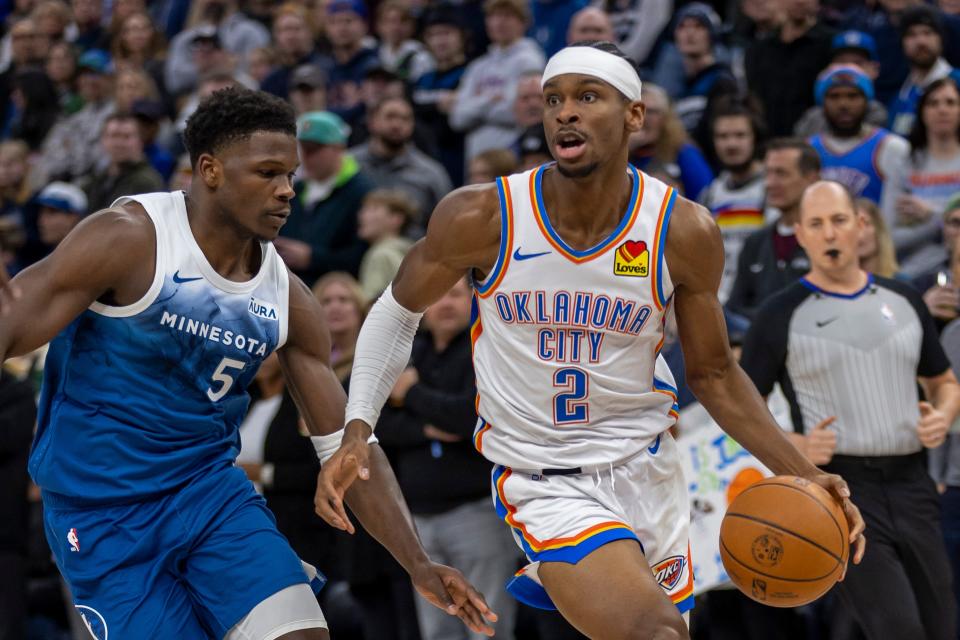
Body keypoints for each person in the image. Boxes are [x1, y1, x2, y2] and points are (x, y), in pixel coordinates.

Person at [316, 41, 865, 639]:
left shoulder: (681, 229)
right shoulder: (485, 216)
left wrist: (801, 470)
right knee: (654, 634)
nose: (564, 113)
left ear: (634, 116)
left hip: (647, 468)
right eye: (553, 100)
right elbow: (396, 312)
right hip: (545, 479)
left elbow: (713, 376)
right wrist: (358, 425)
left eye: (586, 97)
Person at [0, 86, 495, 640]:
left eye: (291, 175)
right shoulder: (130, 239)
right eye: (268, 173)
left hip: (210, 497)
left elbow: (350, 446)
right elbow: (12, 329)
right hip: (104, 510)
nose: (287, 190)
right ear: (209, 169)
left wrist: (417, 562)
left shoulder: (288, 298)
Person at [740, 180, 959, 640]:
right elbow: (744, 410)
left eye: (839, 220)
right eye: (816, 224)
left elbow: (945, 383)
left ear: (861, 226)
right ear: (799, 233)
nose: (829, 233)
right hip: (839, 492)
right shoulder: (779, 314)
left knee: (942, 625)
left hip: (913, 483)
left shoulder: (904, 299)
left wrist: (943, 414)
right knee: (897, 629)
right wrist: (794, 445)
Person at [376, 277, 521, 640]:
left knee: (488, 627)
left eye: (455, 294)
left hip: (477, 511)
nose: (445, 303)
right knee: (437, 631)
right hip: (417, 519)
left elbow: (470, 417)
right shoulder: (408, 352)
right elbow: (376, 422)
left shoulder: (489, 349)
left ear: (473, 298)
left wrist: (410, 393)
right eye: (437, 294)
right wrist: (425, 429)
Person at [276, 110, 374, 284]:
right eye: (302, 148)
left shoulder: (362, 192)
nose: (306, 156)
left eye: (314, 149)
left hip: (335, 292)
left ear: (339, 149)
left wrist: (313, 258)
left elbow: (364, 255)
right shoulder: (295, 190)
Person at [726, 138, 818, 320]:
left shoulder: (825, 241)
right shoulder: (755, 243)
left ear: (811, 179)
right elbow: (734, 309)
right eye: (767, 174)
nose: (769, 183)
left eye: (781, 174)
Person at [809, 64, 909, 224]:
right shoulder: (808, 150)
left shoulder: (890, 147)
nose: (843, 104)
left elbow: (893, 219)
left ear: (867, 101)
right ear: (822, 102)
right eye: (834, 96)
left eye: (853, 96)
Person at [449, 0, 545, 162]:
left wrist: (477, 102)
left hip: (511, 155)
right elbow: (458, 117)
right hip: (475, 158)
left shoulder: (530, 60)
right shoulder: (478, 66)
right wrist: (491, 100)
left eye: (507, 16)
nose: (498, 22)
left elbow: (516, 111)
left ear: (523, 22)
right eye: (493, 16)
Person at [699, 99, 770, 304]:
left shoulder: (771, 189)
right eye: (723, 136)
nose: (731, 144)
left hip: (756, 301)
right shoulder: (710, 194)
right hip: (718, 302)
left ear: (755, 138)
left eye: (740, 135)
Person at [350, 95, 453, 227]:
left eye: (405, 119)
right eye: (390, 117)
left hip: (411, 245)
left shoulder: (431, 173)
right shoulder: (349, 164)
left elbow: (447, 224)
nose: (397, 124)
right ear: (372, 122)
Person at [897, 77, 960, 278]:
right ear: (922, 111)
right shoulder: (904, 163)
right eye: (933, 103)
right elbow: (889, 237)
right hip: (911, 271)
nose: (942, 109)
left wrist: (930, 214)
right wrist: (946, 219)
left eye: (950, 102)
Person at [889, 4, 960, 138]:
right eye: (912, 34)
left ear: (941, 39)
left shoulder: (958, 82)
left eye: (928, 33)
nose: (921, 41)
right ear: (902, 43)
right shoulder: (899, 99)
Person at [80, 112, 165, 211]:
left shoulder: (146, 182)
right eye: (114, 136)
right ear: (103, 140)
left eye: (126, 136)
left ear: (141, 141)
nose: (119, 143)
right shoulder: (97, 179)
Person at [356, 188, 416, 303]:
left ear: (396, 219)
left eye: (373, 209)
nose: (362, 216)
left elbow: (371, 304)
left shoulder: (380, 256)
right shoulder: (409, 254)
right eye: (364, 210)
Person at [856, 198, 900, 278]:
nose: (860, 234)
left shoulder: (901, 283)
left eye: (866, 224)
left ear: (879, 228)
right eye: (855, 226)